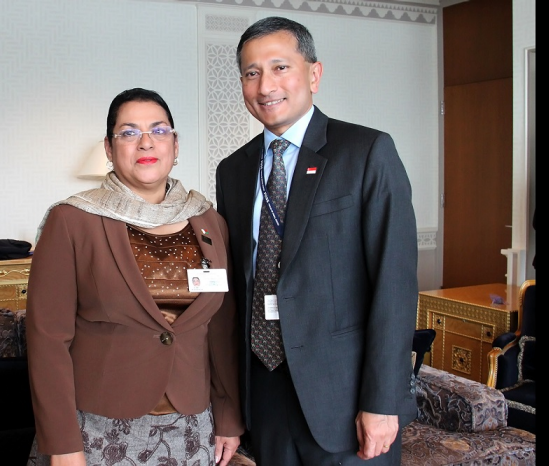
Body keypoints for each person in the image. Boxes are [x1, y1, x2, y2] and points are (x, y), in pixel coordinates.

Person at [215, 16, 419, 465]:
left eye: (279, 67)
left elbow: (395, 285)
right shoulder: (232, 170)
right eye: (251, 73)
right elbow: (234, 291)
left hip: (344, 397)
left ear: (314, 73)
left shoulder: (366, 152)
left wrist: (383, 401)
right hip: (264, 392)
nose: (265, 85)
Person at [27, 88, 243, 466]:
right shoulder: (73, 220)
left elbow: (221, 331)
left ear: (175, 146)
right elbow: (48, 341)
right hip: (98, 428)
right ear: (109, 150)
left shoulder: (209, 221)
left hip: (192, 426)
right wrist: (62, 444)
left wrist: (228, 416)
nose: (146, 142)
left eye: (159, 131)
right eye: (129, 132)